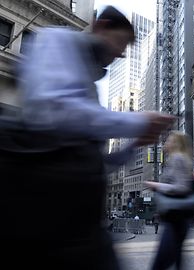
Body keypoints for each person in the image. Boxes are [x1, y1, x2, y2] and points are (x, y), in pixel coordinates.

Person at [0, 6, 174, 270]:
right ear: (101, 26)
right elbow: (56, 111)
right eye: (121, 42)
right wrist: (138, 121)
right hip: (44, 213)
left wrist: (132, 147)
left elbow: (97, 162)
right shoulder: (57, 39)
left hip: (82, 225)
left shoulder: (89, 89)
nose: (121, 53)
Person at [145, 131, 194, 270]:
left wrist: (156, 185)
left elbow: (182, 187)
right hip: (177, 219)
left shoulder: (177, 158)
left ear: (175, 144)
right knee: (176, 261)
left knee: (159, 264)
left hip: (175, 219)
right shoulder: (176, 158)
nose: (166, 143)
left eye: (169, 141)